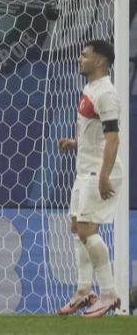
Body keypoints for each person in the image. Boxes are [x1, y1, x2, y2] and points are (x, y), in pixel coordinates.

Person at [57, 39, 122, 318]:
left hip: (98, 172)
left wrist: (104, 176)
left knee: (86, 230)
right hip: (84, 170)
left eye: (84, 56)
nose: (79, 59)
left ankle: (109, 294)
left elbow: (113, 138)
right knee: (76, 228)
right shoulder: (90, 88)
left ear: (99, 61)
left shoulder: (106, 93)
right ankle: (84, 291)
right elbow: (95, 132)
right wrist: (76, 143)